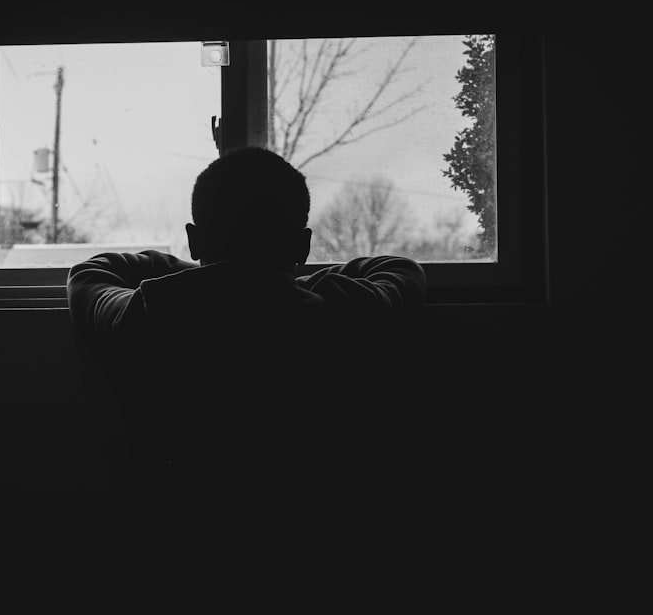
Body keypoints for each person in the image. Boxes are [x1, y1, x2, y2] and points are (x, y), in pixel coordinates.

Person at [67, 146, 426, 604]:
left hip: (179, 568)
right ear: (303, 244)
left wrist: (203, 278)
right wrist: (276, 281)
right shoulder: (344, 313)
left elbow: (92, 273)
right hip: (318, 568)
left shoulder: (145, 315)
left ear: (195, 240)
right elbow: (400, 272)